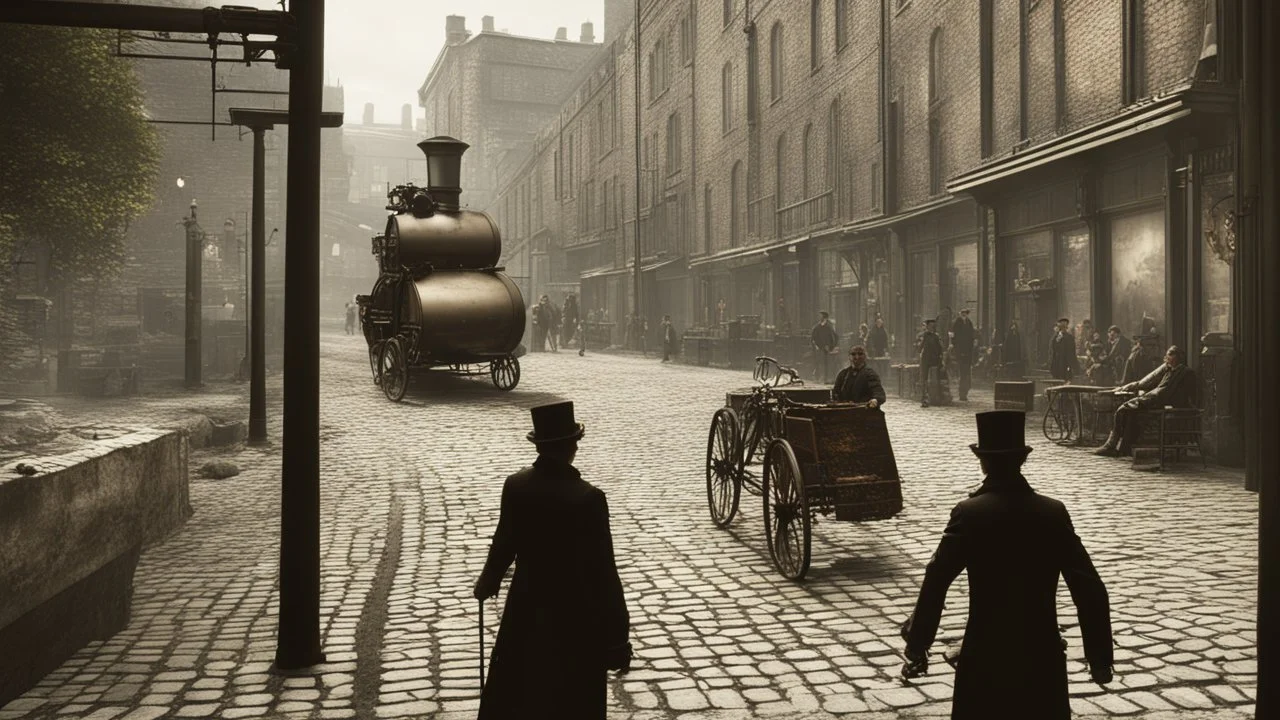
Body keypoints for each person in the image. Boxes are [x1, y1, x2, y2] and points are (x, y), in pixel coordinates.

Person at [901, 410, 1113, 719]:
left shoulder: (970, 513)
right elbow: (1089, 588)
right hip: (1041, 658)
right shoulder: (1053, 513)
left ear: (983, 461)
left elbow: (937, 578)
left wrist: (918, 642)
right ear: (1022, 460)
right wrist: (1100, 660)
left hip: (985, 656)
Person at [474, 402, 632, 719]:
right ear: (571, 446)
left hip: (525, 610)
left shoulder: (516, 485)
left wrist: (487, 582)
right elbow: (604, 574)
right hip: (575, 618)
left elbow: (504, 543)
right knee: (572, 700)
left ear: (541, 446)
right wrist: (617, 639)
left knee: (520, 692)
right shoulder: (588, 498)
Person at [1094, 345, 1196, 457]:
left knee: (1123, 409)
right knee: (1128, 413)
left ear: (1176, 357)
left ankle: (1112, 445)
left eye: (1169, 355)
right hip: (1159, 400)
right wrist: (1125, 387)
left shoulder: (1185, 372)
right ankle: (1122, 448)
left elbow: (1166, 393)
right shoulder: (1168, 369)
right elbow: (1145, 382)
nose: (1165, 358)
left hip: (1167, 404)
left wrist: (1144, 398)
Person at [950, 308, 977, 401]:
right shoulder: (957, 323)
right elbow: (953, 337)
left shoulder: (969, 323)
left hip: (968, 351)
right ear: (960, 313)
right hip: (960, 351)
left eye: (966, 313)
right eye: (963, 313)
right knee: (962, 372)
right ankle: (962, 393)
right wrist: (957, 348)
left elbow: (972, 335)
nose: (964, 314)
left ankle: (965, 392)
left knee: (966, 372)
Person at [918, 318, 944, 408]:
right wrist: (919, 351)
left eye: (932, 327)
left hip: (934, 360)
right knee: (924, 379)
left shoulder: (936, 337)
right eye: (929, 327)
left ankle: (935, 398)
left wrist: (940, 358)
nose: (930, 328)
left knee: (934, 379)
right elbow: (921, 346)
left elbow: (940, 348)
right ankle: (924, 399)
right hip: (926, 360)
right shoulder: (925, 335)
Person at [810, 311, 840, 383]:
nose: (820, 318)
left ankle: (826, 378)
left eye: (821, 316)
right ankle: (818, 377)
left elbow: (835, 337)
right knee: (818, 363)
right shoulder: (817, 327)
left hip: (827, 348)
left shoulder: (829, 327)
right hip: (819, 347)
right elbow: (813, 337)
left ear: (825, 318)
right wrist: (815, 345)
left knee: (827, 364)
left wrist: (831, 347)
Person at [1049, 317, 1076, 381]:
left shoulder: (1070, 337)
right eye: (1062, 326)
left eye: (1065, 326)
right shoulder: (1056, 337)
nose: (1063, 328)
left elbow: (1072, 352)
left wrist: (1072, 365)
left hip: (1066, 363)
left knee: (1066, 379)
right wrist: (1057, 339)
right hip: (1057, 363)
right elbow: (1053, 348)